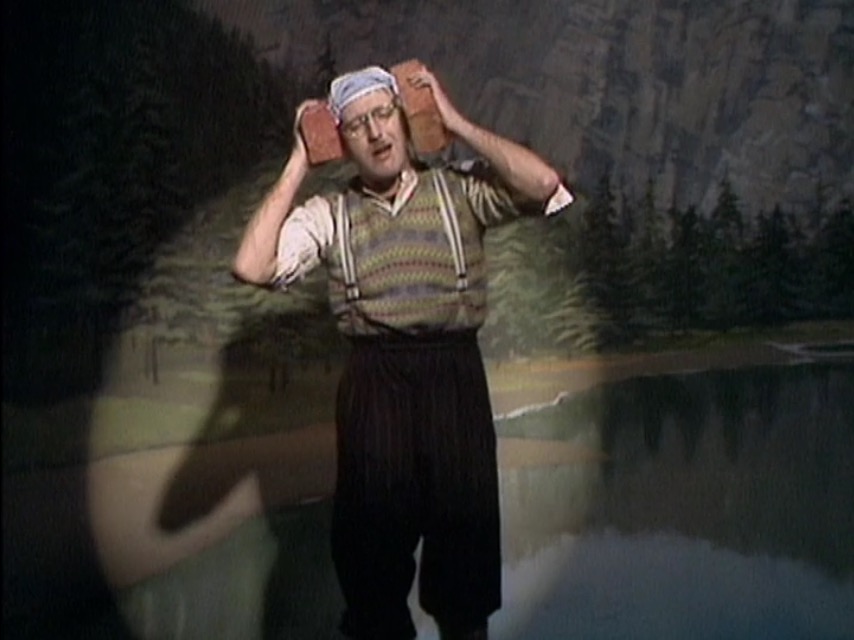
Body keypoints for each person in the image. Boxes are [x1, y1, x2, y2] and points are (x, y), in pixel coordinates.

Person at [232, 63, 573, 640]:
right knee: (372, 577)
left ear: (404, 117)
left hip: (454, 383)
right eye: (356, 125)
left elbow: (542, 185)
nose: (376, 133)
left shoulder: (459, 190)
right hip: (375, 388)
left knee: (464, 581)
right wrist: (299, 160)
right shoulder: (331, 214)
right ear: (342, 141)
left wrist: (453, 121)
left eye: (384, 114)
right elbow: (251, 265)